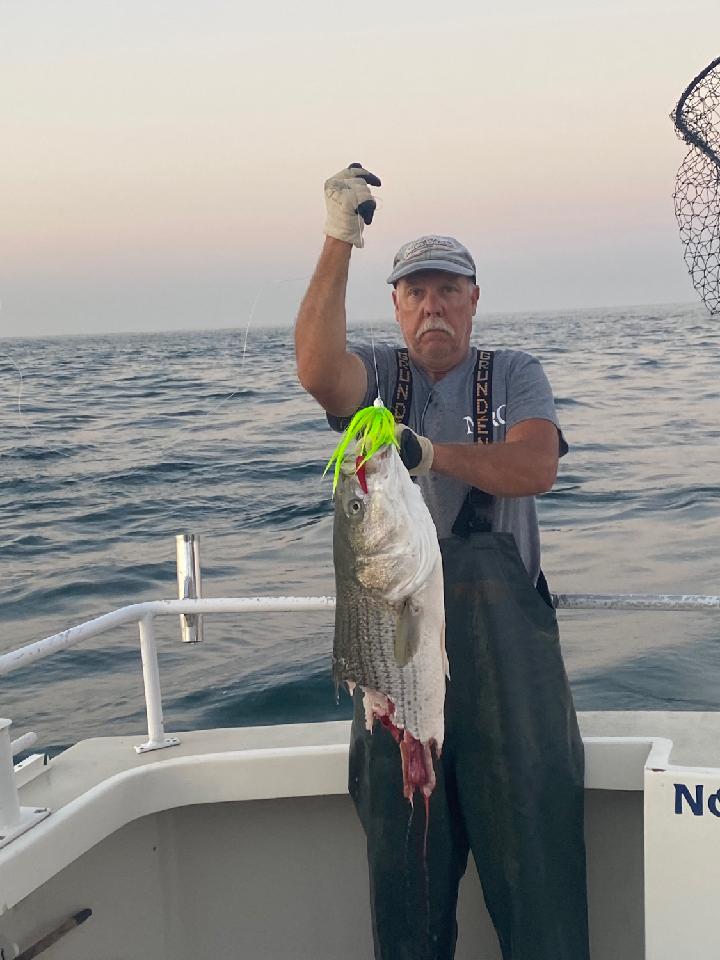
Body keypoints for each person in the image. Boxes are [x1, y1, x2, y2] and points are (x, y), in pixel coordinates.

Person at [295, 165, 590, 960]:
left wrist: (428, 456)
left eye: (447, 290)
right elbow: (318, 370)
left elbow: (535, 468)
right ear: (394, 305)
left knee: (540, 882)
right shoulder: (377, 379)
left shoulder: (514, 374)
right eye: (414, 292)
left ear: (473, 299)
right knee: (406, 882)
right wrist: (337, 237)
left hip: (510, 677)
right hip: (395, 674)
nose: (431, 306)